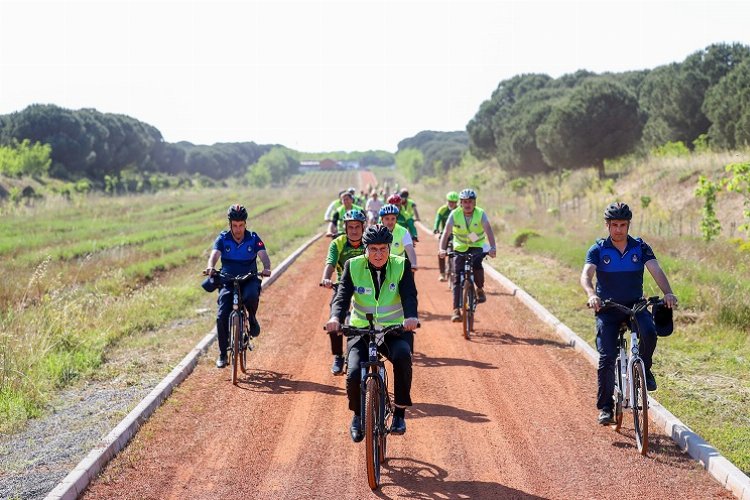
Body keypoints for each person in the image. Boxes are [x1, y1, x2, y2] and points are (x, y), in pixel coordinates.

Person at [580, 202, 678, 426]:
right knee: (606, 358)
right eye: (614, 225)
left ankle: (645, 368)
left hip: (636, 306)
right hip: (608, 308)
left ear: (628, 225)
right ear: (607, 225)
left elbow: (655, 269)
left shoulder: (640, 247)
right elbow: (586, 275)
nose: (618, 230)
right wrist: (590, 294)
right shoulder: (598, 249)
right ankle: (605, 407)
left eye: (623, 225)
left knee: (650, 332)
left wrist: (668, 293)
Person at [326, 225, 419, 442]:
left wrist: (411, 317)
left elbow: (409, 295)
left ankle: (399, 414)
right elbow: (341, 297)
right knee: (353, 373)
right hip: (361, 329)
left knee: (403, 357)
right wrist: (335, 318)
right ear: (365, 249)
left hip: (394, 329)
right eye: (374, 249)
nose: (378, 254)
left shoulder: (401, 265)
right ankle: (358, 416)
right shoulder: (353, 265)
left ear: (389, 248)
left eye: (383, 249)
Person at [205, 204, 272, 368]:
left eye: (241, 225)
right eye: (234, 225)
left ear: (245, 224)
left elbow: (264, 256)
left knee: (251, 296)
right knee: (221, 316)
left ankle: (252, 318)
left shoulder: (253, 238)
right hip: (228, 279)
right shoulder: (223, 238)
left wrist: (266, 268)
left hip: (249, 277)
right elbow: (214, 255)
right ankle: (222, 354)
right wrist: (210, 266)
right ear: (230, 224)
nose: (238, 229)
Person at [438, 188, 497, 322]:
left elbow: (489, 230)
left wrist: (493, 248)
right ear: (461, 203)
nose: (467, 204)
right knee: (457, 278)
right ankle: (456, 310)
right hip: (459, 247)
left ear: (474, 203)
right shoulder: (454, 214)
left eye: (470, 202)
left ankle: (480, 289)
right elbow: (446, 233)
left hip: (476, 246)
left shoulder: (480, 214)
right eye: (464, 202)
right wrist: (441, 249)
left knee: (476, 264)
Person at [320, 209, 367, 375]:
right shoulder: (337, 243)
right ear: (345, 228)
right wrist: (326, 278)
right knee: (334, 319)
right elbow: (331, 263)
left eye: (357, 227)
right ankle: (338, 356)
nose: (354, 230)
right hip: (342, 285)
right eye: (350, 227)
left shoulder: (369, 242)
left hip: (366, 286)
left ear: (363, 227)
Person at [379, 204, 417, 269]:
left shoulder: (403, 231)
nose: (390, 222)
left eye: (393, 219)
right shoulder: (375, 231)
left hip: (398, 266)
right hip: (381, 265)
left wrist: (413, 263)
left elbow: (410, 249)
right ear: (382, 220)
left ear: (396, 219)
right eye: (387, 219)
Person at [433, 191, 459, 281]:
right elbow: (437, 220)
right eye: (450, 202)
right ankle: (442, 273)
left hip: (457, 234)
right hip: (445, 233)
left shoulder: (459, 210)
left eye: (454, 202)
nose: (451, 204)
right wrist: (436, 229)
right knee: (441, 252)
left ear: (457, 202)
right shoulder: (442, 210)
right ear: (447, 201)